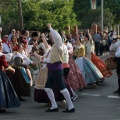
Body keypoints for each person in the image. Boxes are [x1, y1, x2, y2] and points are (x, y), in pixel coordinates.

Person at [43, 23, 75, 112]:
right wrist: (45, 60)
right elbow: (50, 58)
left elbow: (57, 38)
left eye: (52, 36)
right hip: (53, 70)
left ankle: (71, 106)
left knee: (63, 88)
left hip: (57, 70)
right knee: (48, 88)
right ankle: (54, 106)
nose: (51, 37)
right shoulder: (54, 46)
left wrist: (50, 28)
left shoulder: (59, 46)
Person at [0, 41, 21, 113]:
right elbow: (6, 66)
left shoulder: (2, 55)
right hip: (0, 74)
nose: (2, 47)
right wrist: (12, 69)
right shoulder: (1, 56)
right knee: (2, 90)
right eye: (1, 46)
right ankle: (1, 106)